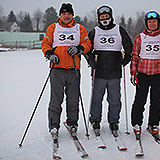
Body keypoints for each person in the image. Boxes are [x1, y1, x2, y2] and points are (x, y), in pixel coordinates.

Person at [41, 3, 91, 137]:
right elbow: (45, 43)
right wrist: (50, 54)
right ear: (60, 15)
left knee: (73, 99)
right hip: (57, 69)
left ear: (72, 15)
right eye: (64, 14)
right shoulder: (53, 27)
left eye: (69, 14)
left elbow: (87, 43)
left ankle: (73, 123)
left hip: (73, 69)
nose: (66, 16)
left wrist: (79, 48)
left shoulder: (79, 28)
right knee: (56, 100)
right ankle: (53, 125)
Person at [86, 5, 133, 137]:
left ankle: (114, 121)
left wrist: (126, 59)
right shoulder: (94, 31)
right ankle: (95, 121)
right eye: (102, 17)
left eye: (106, 17)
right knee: (96, 99)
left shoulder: (119, 30)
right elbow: (87, 48)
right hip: (98, 72)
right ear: (98, 18)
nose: (104, 19)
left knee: (115, 99)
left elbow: (129, 46)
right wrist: (91, 61)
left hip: (114, 72)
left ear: (111, 16)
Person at [130, 11, 160, 140]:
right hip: (143, 73)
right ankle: (136, 123)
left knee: (156, 100)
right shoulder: (140, 37)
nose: (152, 24)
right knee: (140, 100)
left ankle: (154, 124)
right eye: (150, 22)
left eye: (154, 22)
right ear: (147, 23)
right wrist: (133, 71)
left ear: (158, 23)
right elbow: (134, 55)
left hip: (158, 73)